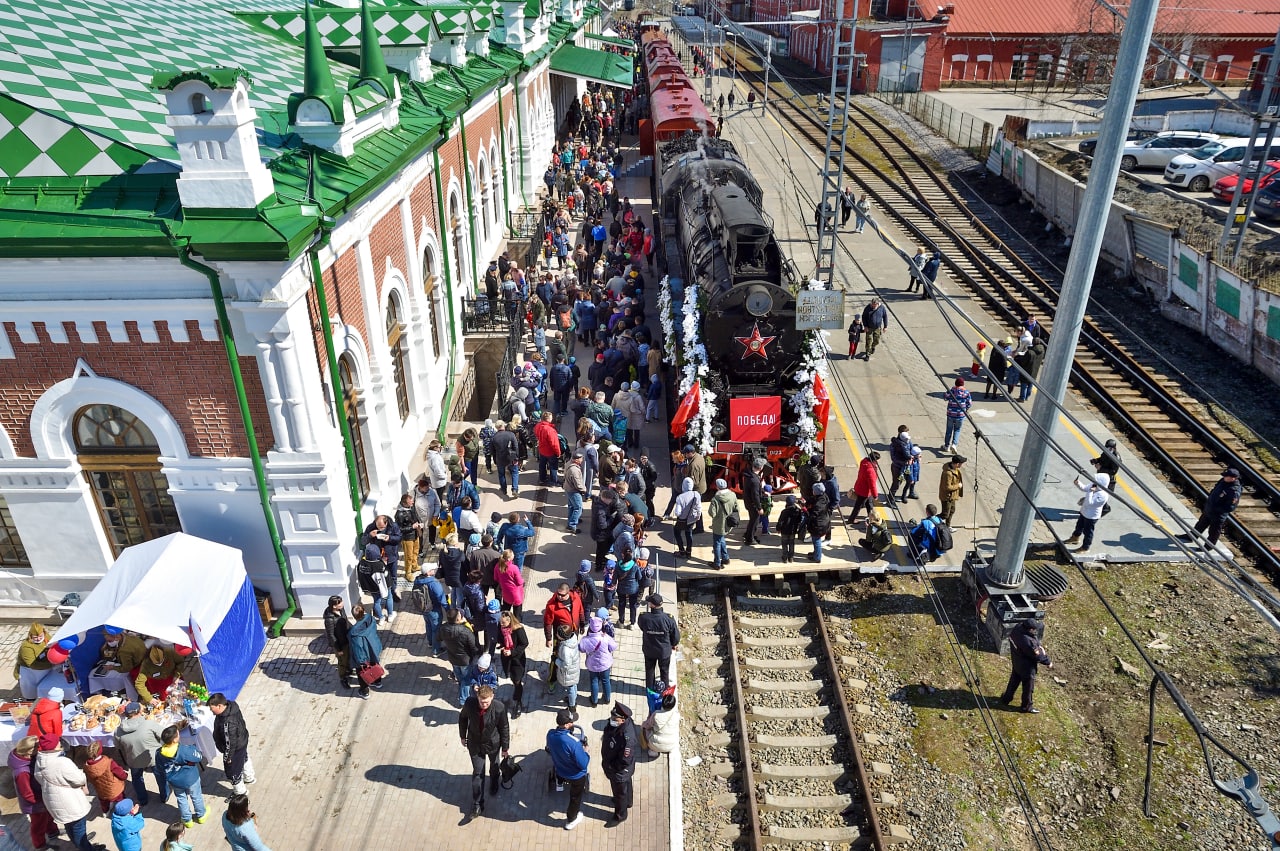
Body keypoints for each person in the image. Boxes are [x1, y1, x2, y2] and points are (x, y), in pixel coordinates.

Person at [459, 685, 510, 817]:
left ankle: (494, 780)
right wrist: (462, 735)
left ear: (492, 697)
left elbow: (504, 728)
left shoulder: (499, 708)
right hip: (475, 744)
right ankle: (477, 804)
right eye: (482, 702)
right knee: (477, 774)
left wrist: (505, 748)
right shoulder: (470, 704)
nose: (484, 704)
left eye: (487, 702)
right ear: (477, 697)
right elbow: (463, 718)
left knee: (494, 765)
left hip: (493, 744)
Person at [113, 701, 167, 807]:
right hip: (153, 758)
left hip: (134, 759)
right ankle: (164, 796)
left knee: (137, 778)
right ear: (139, 711)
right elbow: (164, 735)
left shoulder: (118, 731)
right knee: (160, 777)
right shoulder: (149, 724)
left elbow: (118, 747)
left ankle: (142, 799)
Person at [11, 735, 58, 851]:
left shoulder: (24, 758)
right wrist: (41, 802)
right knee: (38, 826)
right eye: (38, 747)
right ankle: (40, 846)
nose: (40, 749)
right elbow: (27, 793)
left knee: (48, 817)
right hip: (35, 804)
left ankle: (52, 831)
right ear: (29, 751)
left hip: (41, 797)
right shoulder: (22, 771)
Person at [154, 725, 207, 828]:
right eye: (178, 734)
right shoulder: (183, 750)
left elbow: (159, 768)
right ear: (174, 740)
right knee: (196, 796)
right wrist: (193, 748)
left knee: (181, 798)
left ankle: (187, 820)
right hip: (190, 778)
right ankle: (201, 815)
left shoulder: (159, 753)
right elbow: (198, 757)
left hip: (174, 780)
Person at [546, 708, 590, 830]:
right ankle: (571, 819)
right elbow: (583, 764)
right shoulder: (574, 743)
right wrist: (586, 752)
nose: (572, 723)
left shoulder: (550, 734)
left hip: (560, 769)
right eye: (571, 722)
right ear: (566, 725)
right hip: (576, 775)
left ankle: (559, 784)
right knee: (575, 798)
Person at [998, 619, 1052, 714]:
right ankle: (1026, 707)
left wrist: (1038, 646)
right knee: (1028, 688)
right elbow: (1038, 656)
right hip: (1027, 668)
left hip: (1017, 661)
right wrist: (1048, 662)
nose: (1035, 631)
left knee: (1013, 682)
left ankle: (1006, 698)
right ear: (1030, 629)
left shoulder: (1017, 628)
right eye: (1034, 629)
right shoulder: (1028, 642)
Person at [209, 693, 255, 795]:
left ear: (219, 706)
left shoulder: (227, 723)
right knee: (244, 758)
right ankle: (249, 777)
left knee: (233, 772)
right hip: (242, 740)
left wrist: (228, 757)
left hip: (234, 749)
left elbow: (230, 743)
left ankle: (240, 792)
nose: (211, 711)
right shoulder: (232, 706)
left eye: (212, 708)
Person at [601, 702, 638, 827]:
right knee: (625, 786)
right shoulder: (619, 724)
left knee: (619, 792)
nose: (611, 720)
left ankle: (620, 815)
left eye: (614, 719)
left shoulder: (628, 739)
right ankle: (628, 802)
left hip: (619, 770)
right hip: (618, 767)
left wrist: (612, 768)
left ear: (622, 720)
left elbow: (624, 760)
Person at [636, 593, 680, 689]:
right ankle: (664, 691)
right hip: (664, 651)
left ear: (652, 605)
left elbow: (641, 627)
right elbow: (676, 637)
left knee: (650, 670)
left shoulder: (644, 617)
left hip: (649, 650)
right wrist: (673, 644)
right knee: (664, 671)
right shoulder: (668, 619)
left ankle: (650, 689)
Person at [441, 607, 481, 707]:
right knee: (466, 679)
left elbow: (438, 638)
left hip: (452, 658)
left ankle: (461, 687)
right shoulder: (465, 631)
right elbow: (474, 647)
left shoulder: (443, 628)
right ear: (458, 619)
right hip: (465, 660)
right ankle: (464, 700)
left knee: (459, 677)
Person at [579, 615, 618, 708]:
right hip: (605, 664)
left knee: (594, 681)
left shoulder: (585, 640)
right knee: (606, 681)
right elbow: (614, 647)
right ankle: (607, 699)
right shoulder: (606, 637)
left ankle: (594, 701)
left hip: (592, 665)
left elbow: (581, 649)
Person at [347, 603, 385, 699]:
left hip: (364, 654)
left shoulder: (354, 633)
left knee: (362, 672)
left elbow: (358, 648)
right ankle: (377, 682)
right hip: (374, 647)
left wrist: (361, 661)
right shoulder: (370, 618)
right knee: (375, 664)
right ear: (363, 611)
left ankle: (364, 691)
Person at [14, 623, 61, 700]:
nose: (39, 639)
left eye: (40, 636)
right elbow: (32, 664)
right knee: (31, 690)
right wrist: (51, 664)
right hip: (30, 672)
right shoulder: (26, 647)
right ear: (31, 636)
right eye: (35, 637)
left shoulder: (46, 637)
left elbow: (53, 644)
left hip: (45, 666)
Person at [497, 611, 528, 716]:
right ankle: (516, 687)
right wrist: (502, 646)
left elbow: (524, 643)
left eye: (503, 623)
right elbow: (500, 638)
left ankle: (518, 701)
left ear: (510, 621)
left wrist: (512, 652)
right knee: (511, 676)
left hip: (517, 659)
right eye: (500, 622)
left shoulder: (518, 630)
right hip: (506, 658)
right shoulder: (500, 628)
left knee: (517, 679)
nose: (501, 625)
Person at [356, 542, 395, 626]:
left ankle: (381, 618)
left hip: (371, 588)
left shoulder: (362, 563)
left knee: (376, 602)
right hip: (383, 586)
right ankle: (390, 615)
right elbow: (384, 576)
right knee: (389, 598)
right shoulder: (378, 565)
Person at [412, 565, 447, 655]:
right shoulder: (433, 583)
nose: (434, 570)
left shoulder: (418, 580)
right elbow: (441, 597)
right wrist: (447, 609)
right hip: (434, 609)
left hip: (424, 608)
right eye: (432, 569)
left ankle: (430, 642)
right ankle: (436, 650)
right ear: (428, 573)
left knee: (428, 625)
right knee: (436, 629)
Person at [84, 741, 127, 815]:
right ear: (100, 751)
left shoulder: (87, 766)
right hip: (114, 789)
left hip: (101, 790)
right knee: (121, 799)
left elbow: (88, 778)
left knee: (104, 802)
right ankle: (123, 812)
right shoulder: (109, 762)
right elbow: (120, 773)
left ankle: (105, 811)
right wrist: (125, 775)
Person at [323, 596, 353, 690]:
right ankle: (343, 677)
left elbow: (346, 621)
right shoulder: (329, 619)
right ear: (334, 606)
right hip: (340, 644)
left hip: (346, 639)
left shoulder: (341, 609)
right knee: (342, 662)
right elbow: (331, 635)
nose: (342, 603)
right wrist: (338, 649)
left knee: (348, 657)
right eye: (340, 603)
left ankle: (349, 670)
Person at [707, 478, 739, 568]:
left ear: (717, 487)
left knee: (717, 543)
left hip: (719, 525)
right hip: (729, 524)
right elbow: (737, 508)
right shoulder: (733, 495)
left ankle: (717, 563)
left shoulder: (715, 499)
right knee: (722, 539)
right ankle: (725, 558)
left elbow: (712, 513)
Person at [668, 476, 701, 558]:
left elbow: (677, 513)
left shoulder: (680, 497)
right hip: (692, 519)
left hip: (682, 520)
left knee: (677, 532)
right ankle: (689, 552)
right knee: (689, 534)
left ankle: (681, 551)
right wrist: (697, 516)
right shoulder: (696, 494)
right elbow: (699, 508)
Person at [642, 691, 680, 758]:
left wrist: (643, 726)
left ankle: (653, 751)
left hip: (656, 745)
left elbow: (648, 725)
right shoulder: (677, 715)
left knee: (644, 730)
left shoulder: (657, 714)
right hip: (671, 745)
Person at [554, 625, 582, 711]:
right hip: (574, 669)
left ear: (563, 637)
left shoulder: (566, 649)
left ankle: (572, 706)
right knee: (573, 685)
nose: (556, 634)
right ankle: (573, 699)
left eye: (558, 634)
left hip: (568, 673)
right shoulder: (572, 640)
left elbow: (566, 665)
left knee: (570, 689)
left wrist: (556, 661)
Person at [740, 457, 765, 547]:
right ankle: (750, 539)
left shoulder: (749, 474)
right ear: (761, 468)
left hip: (748, 502)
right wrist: (759, 508)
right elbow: (755, 496)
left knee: (752, 519)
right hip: (753, 504)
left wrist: (761, 491)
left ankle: (748, 534)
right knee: (755, 521)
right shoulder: (754, 480)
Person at [848, 451, 880, 523]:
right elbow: (872, 484)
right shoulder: (870, 470)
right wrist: (875, 495)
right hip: (865, 491)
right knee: (858, 506)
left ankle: (871, 517)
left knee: (869, 504)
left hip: (860, 486)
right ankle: (851, 519)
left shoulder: (864, 462)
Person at [941, 378, 972, 453]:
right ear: (963, 384)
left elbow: (945, 397)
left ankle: (946, 446)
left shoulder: (952, 391)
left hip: (951, 414)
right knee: (957, 430)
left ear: (955, 383)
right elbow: (969, 403)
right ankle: (954, 445)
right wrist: (966, 409)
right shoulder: (966, 392)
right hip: (960, 415)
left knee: (949, 430)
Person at [806, 483, 832, 562]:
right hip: (824, 521)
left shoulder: (818, 505)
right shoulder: (824, 497)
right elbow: (814, 500)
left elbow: (813, 515)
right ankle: (816, 553)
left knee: (816, 541)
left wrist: (805, 510)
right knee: (815, 540)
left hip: (818, 525)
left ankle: (817, 558)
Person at [887, 425, 913, 503]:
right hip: (897, 467)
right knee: (896, 484)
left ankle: (904, 496)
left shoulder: (908, 441)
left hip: (907, 467)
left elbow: (911, 450)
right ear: (899, 433)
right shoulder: (894, 445)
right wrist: (904, 462)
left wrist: (912, 458)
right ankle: (890, 499)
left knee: (910, 480)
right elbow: (893, 458)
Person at [939, 455, 966, 527]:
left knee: (952, 511)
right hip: (947, 497)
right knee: (945, 514)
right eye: (961, 463)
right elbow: (947, 487)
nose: (961, 465)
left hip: (952, 496)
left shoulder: (955, 469)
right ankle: (931, 520)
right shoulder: (948, 473)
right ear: (957, 464)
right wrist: (958, 486)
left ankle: (947, 526)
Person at [565, 449, 587, 533]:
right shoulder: (574, 470)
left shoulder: (568, 464)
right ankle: (572, 525)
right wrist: (584, 490)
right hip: (574, 491)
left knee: (571, 506)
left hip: (568, 488)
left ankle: (572, 519)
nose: (582, 460)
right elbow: (578, 484)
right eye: (581, 458)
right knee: (578, 508)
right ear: (576, 460)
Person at [777, 495, 804, 563]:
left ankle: (785, 557)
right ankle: (791, 557)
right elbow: (799, 520)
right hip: (793, 530)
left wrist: (778, 528)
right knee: (791, 543)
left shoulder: (784, 511)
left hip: (784, 531)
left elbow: (780, 521)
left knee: (784, 544)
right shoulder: (798, 510)